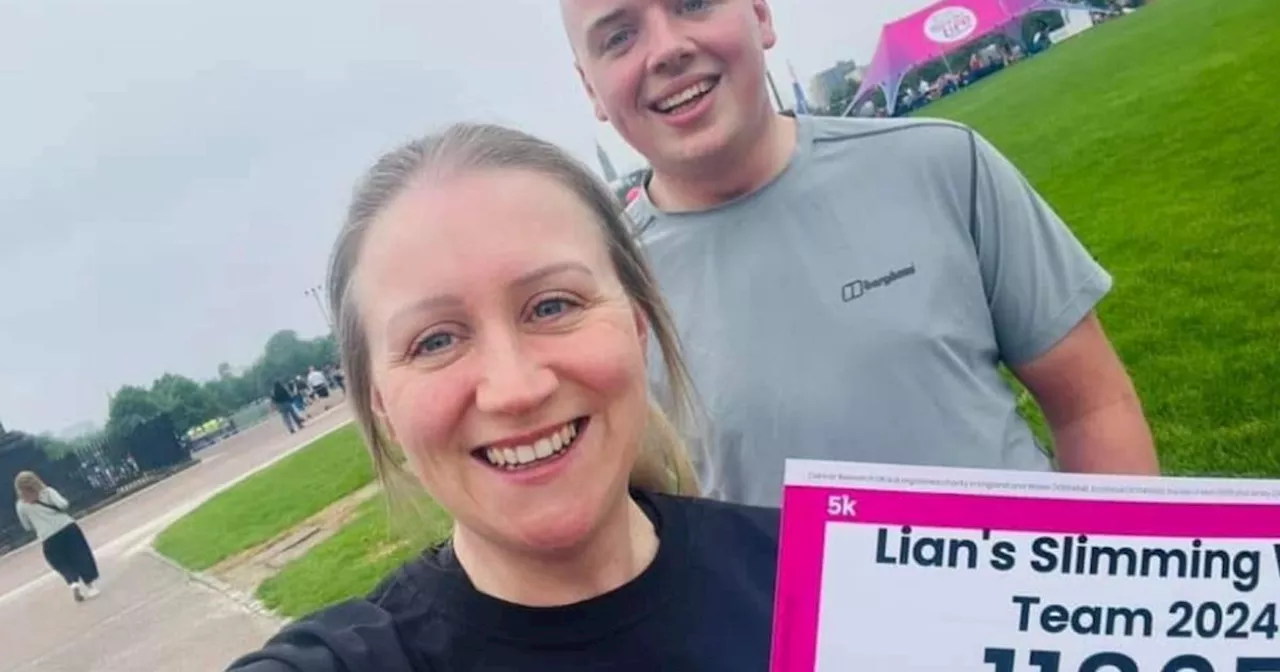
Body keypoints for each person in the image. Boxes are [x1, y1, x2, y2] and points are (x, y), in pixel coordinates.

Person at [558, 0, 1160, 508]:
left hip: (1021, 618)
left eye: (692, 3)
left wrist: (1119, 588)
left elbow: (1092, 407)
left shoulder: (942, 164)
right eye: (618, 36)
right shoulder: (608, 298)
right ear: (590, 88)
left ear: (761, 14)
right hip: (791, 648)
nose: (665, 49)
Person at [225, 123, 780, 671]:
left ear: (636, 326)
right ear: (382, 408)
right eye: (436, 341)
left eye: (552, 306)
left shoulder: (812, 579)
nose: (515, 389)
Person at [14, 471, 101, 602]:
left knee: (59, 562)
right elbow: (63, 504)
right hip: (67, 527)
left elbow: (27, 526)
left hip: (48, 537)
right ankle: (90, 586)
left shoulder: (21, 505)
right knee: (80, 554)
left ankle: (73, 582)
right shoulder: (47, 492)